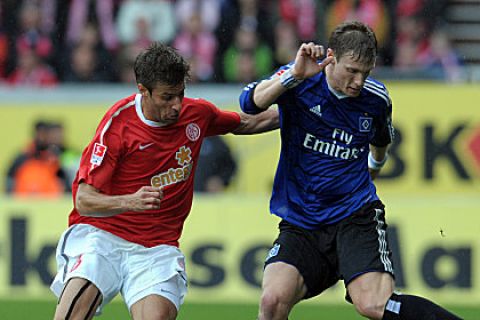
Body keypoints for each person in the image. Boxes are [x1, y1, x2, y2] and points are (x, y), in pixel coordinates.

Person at [239, 21, 462, 320]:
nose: (358, 81)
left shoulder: (376, 99)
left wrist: (375, 166)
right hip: (302, 220)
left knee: (374, 305)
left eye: (365, 72)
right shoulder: (301, 79)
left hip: (354, 217)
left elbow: (380, 142)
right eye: (352, 71)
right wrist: (294, 74)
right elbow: (249, 104)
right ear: (331, 57)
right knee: (271, 301)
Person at [50, 42, 279, 320]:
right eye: (167, 97)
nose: (177, 106)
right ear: (143, 90)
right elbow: (83, 200)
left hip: (157, 246)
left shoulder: (197, 114)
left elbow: (245, 123)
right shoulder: (118, 125)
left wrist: (300, 112)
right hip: (103, 236)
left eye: (181, 95)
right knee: (73, 311)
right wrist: (129, 201)